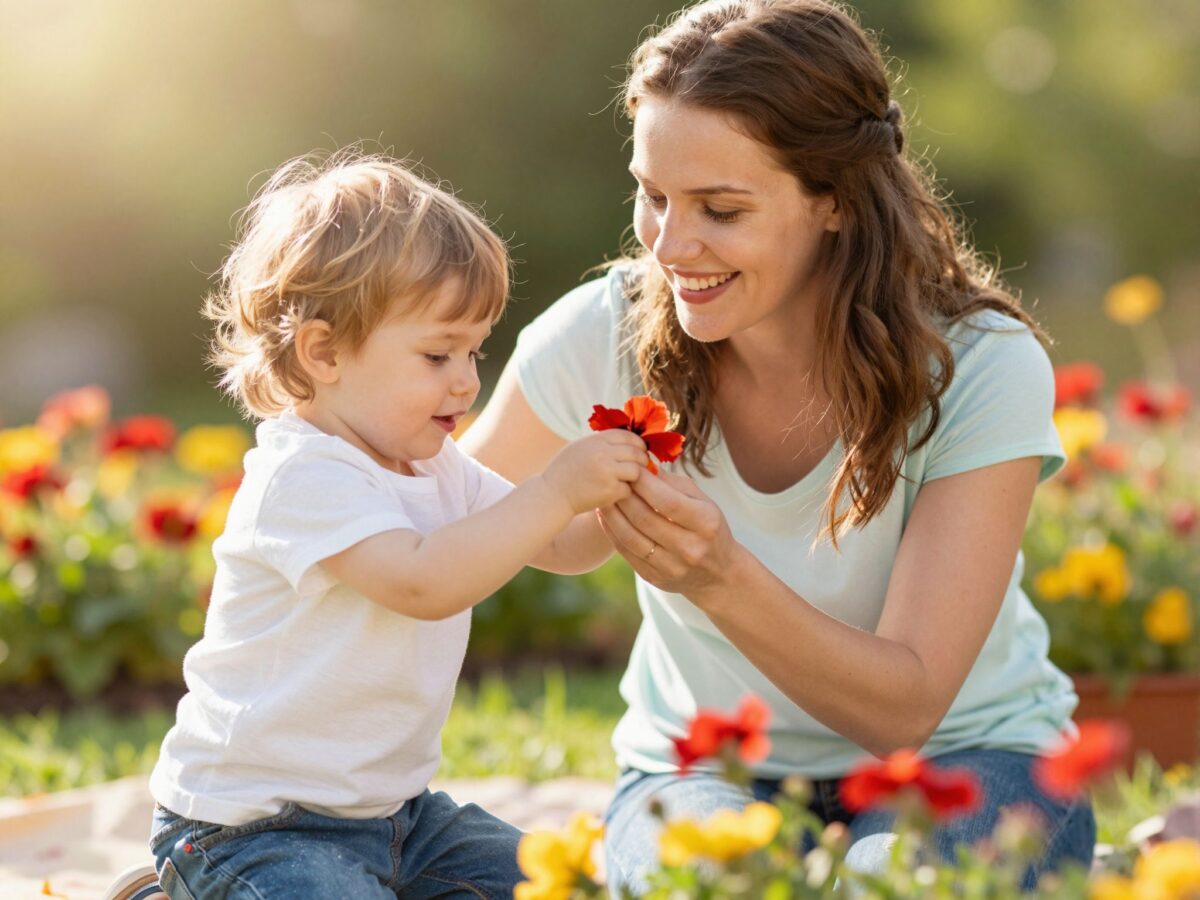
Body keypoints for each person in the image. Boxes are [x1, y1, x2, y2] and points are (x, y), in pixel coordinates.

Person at [460, 0, 1094, 892]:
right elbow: (443, 509)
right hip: (704, 769)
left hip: (969, 757)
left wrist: (718, 575)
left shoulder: (981, 366)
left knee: (892, 882)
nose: (670, 246)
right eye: (653, 196)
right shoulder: (605, 333)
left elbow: (906, 709)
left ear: (834, 199)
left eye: (720, 209)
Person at [146, 152, 648, 899]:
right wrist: (555, 486)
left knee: (565, 885)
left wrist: (615, 498)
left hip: (398, 819)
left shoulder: (434, 465)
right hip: (251, 828)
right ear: (324, 352)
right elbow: (421, 580)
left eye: (474, 350)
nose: (467, 379)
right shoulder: (305, 475)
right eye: (437, 353)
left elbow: (561, 545)